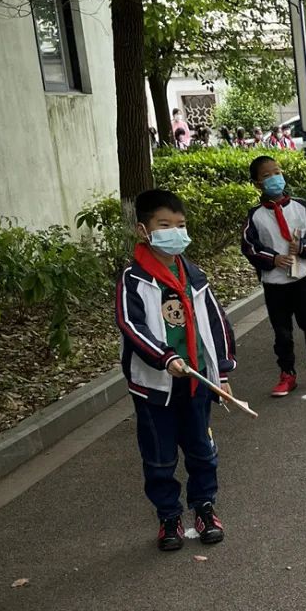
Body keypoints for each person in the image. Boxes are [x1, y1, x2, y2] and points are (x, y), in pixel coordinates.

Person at [115, 189, 236, 551]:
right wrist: (164, 357)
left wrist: (222, 374)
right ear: (143, 230)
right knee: (159, 456)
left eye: (180, 225)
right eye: (164, 225)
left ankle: (204, 507)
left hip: (197, 384)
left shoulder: (194, 275)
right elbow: (131, 325)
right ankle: (169, 516)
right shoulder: (133, 280)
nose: (175, 232)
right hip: (156, 387)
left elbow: (217, 323)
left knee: (202, 450)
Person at [241, 155, 306, 397]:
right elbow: (248, 245)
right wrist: (272, 258)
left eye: (277, 172)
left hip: (301, 279)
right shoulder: (255, 215)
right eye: (266, 176)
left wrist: (303, 247)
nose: (274, 178)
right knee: (282, 332)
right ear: (257, 183)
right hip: (275, 283)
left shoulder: (300, 206)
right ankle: (287, 373)